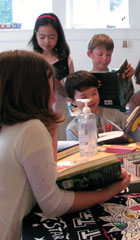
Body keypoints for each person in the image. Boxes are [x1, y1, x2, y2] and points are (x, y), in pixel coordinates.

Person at [0, 50, 131, 240]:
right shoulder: (30, 129)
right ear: (29, 90)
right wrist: (109, 192)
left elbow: (48, 174)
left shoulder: (10, 126)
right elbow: (53, 204)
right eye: (48, 88)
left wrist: (52, 128)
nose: (54, 98)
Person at [28, 13, 75, 140]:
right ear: (35, 34)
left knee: (59, 146)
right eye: (42, 37)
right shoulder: (30, 60)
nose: (46, 41)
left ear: (58, 36)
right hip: (37, 110)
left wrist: (54, 81)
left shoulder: (66, 61)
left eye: (52, 37)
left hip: (59, 110)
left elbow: (70, 94)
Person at [65, 70, 128, 141]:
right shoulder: (73, 129)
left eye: (94, 93)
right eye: (84, 97)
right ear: (72, 101)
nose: (91, 99)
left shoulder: (116, 115)